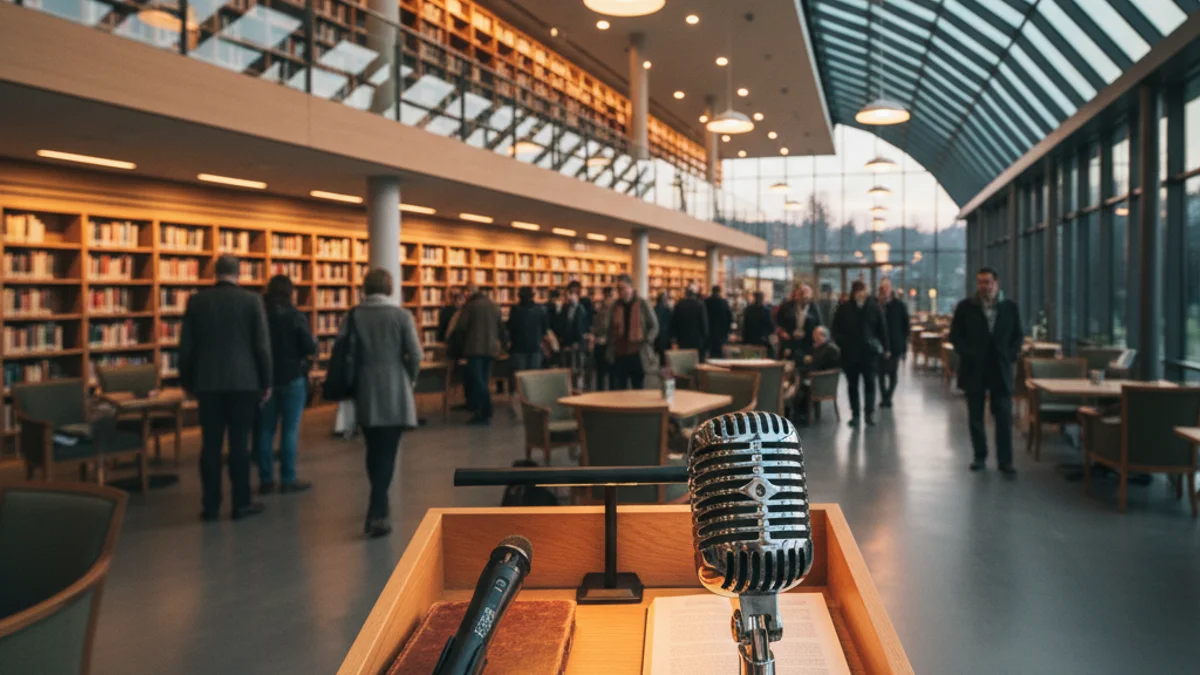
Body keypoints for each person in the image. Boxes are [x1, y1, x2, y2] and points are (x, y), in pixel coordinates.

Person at [179, 254, 272, 521]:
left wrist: (187, 381)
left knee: (210, 445)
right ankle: (241, 503)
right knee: (239, 444)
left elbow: (186, 348)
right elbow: (262, 347)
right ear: (238, 273)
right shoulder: (252, 301)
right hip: (244, 382)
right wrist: (266, 381)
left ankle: (210, 505)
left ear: (214, 273)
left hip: (207, 383)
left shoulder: (197, 302)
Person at [347, 268, 421, 537]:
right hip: (394, 388)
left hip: (365, 388)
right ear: (390, 288)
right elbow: (415, 354)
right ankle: (377, 510)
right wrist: (409, 379)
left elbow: (348, 354)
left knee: (372, 448)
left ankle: (379, 501)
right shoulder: (401, 316)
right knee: (389, 450)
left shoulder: (354, 315)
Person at [950, 267, 1024, 475]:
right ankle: (979, 456)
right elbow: (955, 336)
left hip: (1000, 368)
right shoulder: (966, 307)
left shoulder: (1010, 307)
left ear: (996, 283)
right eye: (980, 282)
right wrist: (968, 353)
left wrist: (1009, 355)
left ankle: (1005, 460)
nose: (984, 286)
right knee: (975, 417)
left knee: (1003, 416)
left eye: (988, 282)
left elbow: (1018, 336)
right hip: (974, 368)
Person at [255, 275, 317, 495]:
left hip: (267, 379)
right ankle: (288, 478)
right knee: (290, 429)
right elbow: (308, 346)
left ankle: (265, 479)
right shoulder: (294, 316)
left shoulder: (260, 315)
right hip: (292, 376)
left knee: (265, 430)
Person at [831, 279, 889, 428]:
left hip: (869, 354)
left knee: (870, 384)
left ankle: (869, 414)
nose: (860, 294)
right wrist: (842, 343)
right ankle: (855, 415)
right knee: (852, 386)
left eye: (863, 291)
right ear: (853, 292)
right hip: (851, 354)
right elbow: (835, 329)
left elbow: (882, 329)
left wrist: (885, 348)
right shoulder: (844, 308)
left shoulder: (874, 307)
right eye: (858, 291)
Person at [451, 283, 506, 425]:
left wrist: (456, 349)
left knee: (477, 381)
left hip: (474, 348)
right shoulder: (494, 306)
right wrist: (504, 345)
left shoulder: (470, 307)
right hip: (491, 349)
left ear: (470, 293)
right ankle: (481, 409)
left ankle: (485, 411)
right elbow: (501, 328)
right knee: (484, 380)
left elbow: (461, 328)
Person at [606, 274, 659, 389]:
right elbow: (610, 328)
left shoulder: (642, 304)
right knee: (619, 388)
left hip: (637, 352)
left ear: (631, 288)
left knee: (638, 386)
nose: (621, 292)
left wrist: (647, 340)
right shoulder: (615, 306)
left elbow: (654, 325)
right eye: (619, 289)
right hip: (620, 353)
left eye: (623, 288)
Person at [793, 326, 841, 423]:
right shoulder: (820, 347)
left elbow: (817, 365)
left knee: (799, 386)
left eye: (816, 335)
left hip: (821, 380)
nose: (814, 338)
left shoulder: (829, 350)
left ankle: (801, 414)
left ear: (823, 336)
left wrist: (803, 369)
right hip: (816, 376)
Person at [877, 279, 910, 409]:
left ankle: (888, 397)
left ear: (891, 289)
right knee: (880, 374)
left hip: (895, 344)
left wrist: (904, 345)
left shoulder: (899, 305)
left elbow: (905, 325)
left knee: (892, 373)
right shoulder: (877, 305)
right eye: (882, 288)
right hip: (880, 345)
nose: (885, 290)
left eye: (887, 288)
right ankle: (884, 396)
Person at [506, 286, 549, 372]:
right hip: (535, 347)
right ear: (532, 296)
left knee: (519, 377)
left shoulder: (515, 310)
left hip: (518, 348)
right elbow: (545, 329)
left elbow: (510, 328)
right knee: (533, 378)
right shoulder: (540, 310)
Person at [776, 284, 822, 361]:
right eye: (802, 298)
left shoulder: (814, 308)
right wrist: (783, 333)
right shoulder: (787, 306)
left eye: (807, 298)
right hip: (789, 342)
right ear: (797, 296)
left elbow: (818, 325)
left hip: (807, 343)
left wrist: (816, 340)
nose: (804, 301)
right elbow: (778, 323)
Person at [553, 284, 589, 374]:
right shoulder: (565, 308)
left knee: (578, 368)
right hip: (566, 343)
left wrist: (579, 341)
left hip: (578, 343)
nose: (568, 296)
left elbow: (583, 326)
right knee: (567, 368)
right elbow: (561, 324)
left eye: (570, 294)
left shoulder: (582, 308)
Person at [670, 283, 708, 356]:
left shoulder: (679, 305)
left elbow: (674, 323)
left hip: (682, 339)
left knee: (684, 361)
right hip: (697, 340)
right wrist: (705, 339)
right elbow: (704, 324)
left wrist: (674, 339)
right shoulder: (700, 305)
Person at [591, 286, 614, 390]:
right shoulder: (603, 309)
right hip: (603, 344)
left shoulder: (603, 309)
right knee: (603, 374)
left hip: (606, 343)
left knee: (606, 374)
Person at [704, 284, 734, 359]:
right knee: (720, 352)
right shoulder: (723, 302)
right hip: (721, 332)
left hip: (710, 330)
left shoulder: (706, 302)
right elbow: (729, 317)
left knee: (711, 351)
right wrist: (728, 330)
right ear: (719, 291)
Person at [654, 291, 674, 365]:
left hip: (657, 335)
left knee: (659, 354)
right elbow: (671, 321)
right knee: (665, 356)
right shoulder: (667, 309)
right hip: (666, 335)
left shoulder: (654, 309)